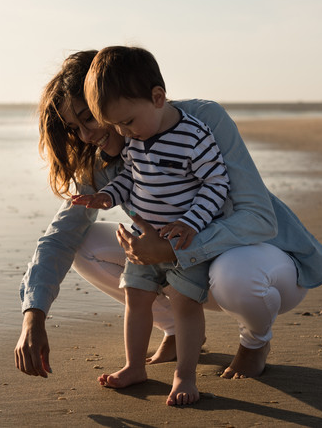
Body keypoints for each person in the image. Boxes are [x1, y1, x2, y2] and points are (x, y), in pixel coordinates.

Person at [14, 48, 322, 397]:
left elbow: (259, 218)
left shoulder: (201, 121)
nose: (87, 136)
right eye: (75, 128)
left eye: (88, 118)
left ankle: (255, 341)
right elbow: (59, 238)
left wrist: (169, 248)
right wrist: (34, 315)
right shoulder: (107, 159)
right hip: (187, 269)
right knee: (82, 244)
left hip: (265, 263)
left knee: (235, 275)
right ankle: (175, 331)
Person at [71, 46, 229, 405]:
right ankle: (134, 367)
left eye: (127, 121)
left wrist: (191, 222)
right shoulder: (137, 139)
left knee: (184, 303)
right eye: (117, 125)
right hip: (145, 243)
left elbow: (216, 184)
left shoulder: (193, 135)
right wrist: (107, 197)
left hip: (184, 242)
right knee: (136, 298)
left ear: (157, 98)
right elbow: (130, 178)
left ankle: (184, 376)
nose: (123, 132)